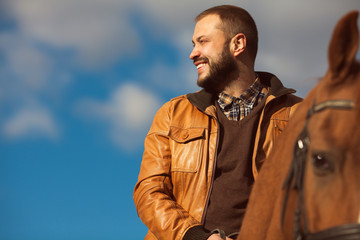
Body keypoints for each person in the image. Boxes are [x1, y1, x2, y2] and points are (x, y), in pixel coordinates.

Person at [133, 5, 302, 240]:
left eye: (202, 41)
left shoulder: (301, 115)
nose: (193, 53)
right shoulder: (172, 114)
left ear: (237, 45)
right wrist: (197, 237)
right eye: (193, 44)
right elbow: (148, 192)